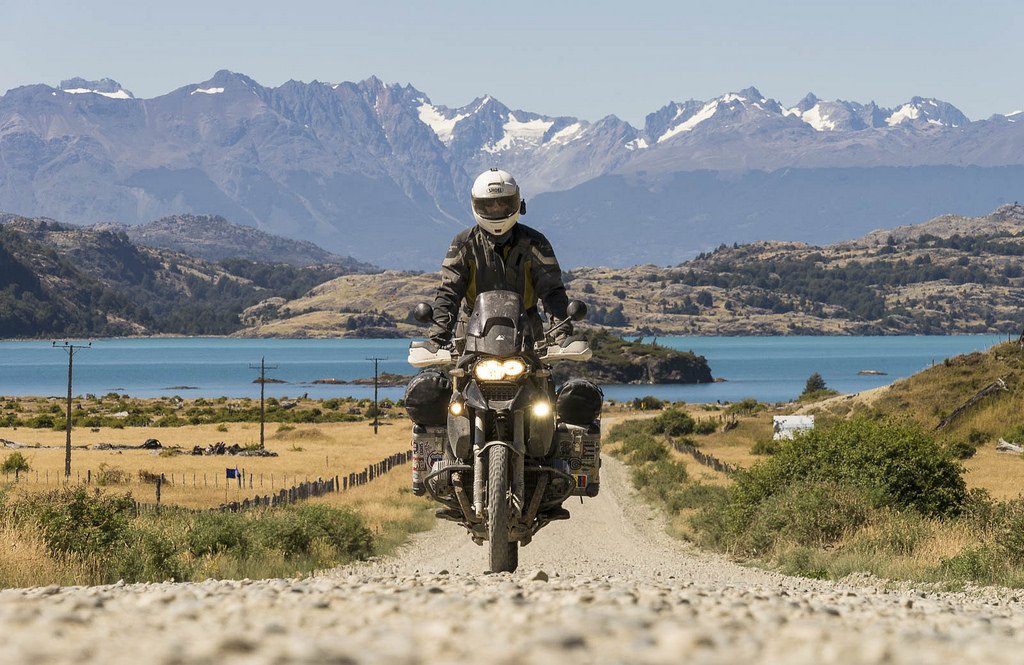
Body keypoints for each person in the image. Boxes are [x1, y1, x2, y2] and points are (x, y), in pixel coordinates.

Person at [426, 168, 571, 350]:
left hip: (527, 336)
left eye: (502, 203)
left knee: (543, 377)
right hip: (472, 337)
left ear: (516, 202)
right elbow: (449, 292)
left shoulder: (536, 243)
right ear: (477, 205)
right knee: (449, 377)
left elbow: (552, 291)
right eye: (489, 205)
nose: (496, 209)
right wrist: (438, 337)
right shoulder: (464, 244)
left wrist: (562, 334)